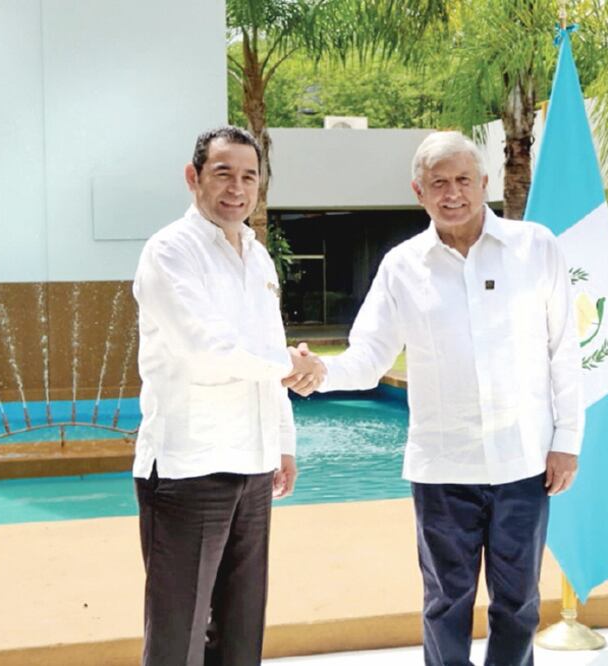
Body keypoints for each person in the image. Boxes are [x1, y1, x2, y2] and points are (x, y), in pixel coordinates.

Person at [290, 131, 583, 666]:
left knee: (518, 603)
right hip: (443, 468)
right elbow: (369, 356)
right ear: (418, 191)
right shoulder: (402, 266)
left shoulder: (535, 247)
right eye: (438, 183)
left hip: (523, 462)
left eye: (463, 180)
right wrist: (320, 372)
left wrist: (568, 440)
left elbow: (565, 349)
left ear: (485, 183)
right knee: (445, 602)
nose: (453, 194)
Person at [132, 125, 326, 666]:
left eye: (249, 176)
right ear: (193, 177)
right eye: (223, 174)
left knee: (241, 633)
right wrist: (288, 364)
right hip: (189, 467)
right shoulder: (170, 252)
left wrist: (282, 442)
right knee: (180, 635)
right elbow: (206, 348)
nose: (236, 188)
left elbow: (267, 350)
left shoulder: (258, 257)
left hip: (253, 466)